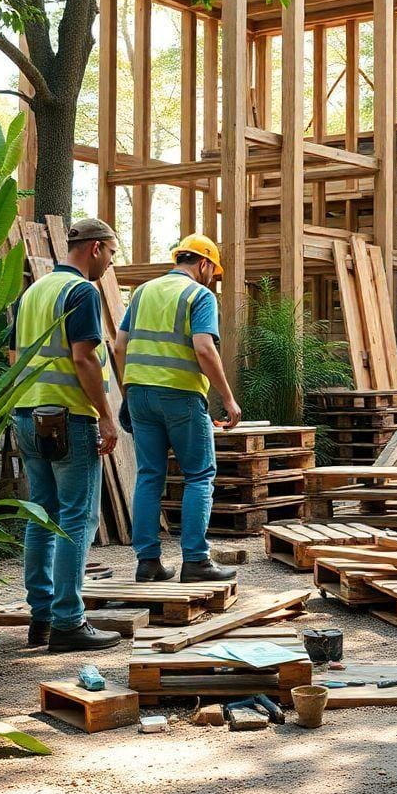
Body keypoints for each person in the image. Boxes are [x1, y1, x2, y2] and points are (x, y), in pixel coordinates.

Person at [12, 218, 121, 651]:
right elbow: (84, 359)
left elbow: (12, 352)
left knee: (42, 515)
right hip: (69, 418)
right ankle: (69, 623)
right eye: (112, 253)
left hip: (27, 415)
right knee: (77, 517)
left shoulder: (33, 292)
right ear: (95, 248)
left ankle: (41, 618)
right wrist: (105, 417)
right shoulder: (82, 292)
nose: (111, 264)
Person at [114, 234, 242, 584]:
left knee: (149, 475)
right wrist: (228, 398)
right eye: (213, 270)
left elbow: (119, 345)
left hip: (139, 393)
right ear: (202, 264)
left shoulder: (142, 292)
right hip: (181, 395)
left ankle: (148, 562)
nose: (212, 277)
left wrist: (130, 388)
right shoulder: (199, 295)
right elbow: (204, 349)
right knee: (199, 475)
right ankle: (196, 562)